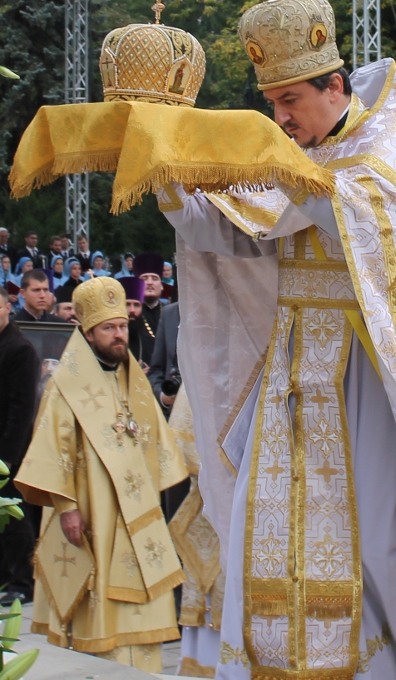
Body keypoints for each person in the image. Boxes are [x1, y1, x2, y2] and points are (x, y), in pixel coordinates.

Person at [163, 0, 396, 677]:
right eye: (272, 104)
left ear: (335, 85)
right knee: (262, 524)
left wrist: (278, 166)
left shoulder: (385, 147)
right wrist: (169, 180)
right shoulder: (299, 155)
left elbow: (356, 217)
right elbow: (229, 234)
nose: (281, 118)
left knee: (382, 541)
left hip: (373, 369)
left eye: (291, 100)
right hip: (294, 365)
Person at [15, 277, 188, 671]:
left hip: (136, 509)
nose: (118, 335)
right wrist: (67, 508)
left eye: (122, 326)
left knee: (142, 593)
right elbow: (52, 450)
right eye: (108, 328)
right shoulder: (66, 385)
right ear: (88, 332)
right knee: (99, 594)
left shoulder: (133, 378)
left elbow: (156, 441)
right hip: (93, 507)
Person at [166, 384, 225, 677]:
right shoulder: (201, 375)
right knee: (208, 586)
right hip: (209, 500)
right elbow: (182, 442)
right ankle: (203, 663)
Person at [0, 293, 40, 606]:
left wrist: (7, 457)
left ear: (7, 308)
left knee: (15, 516)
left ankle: (23, 581)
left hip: (9, 449)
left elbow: (22, 408)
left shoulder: (20, 349)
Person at [119, 275, 154, 369]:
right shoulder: (111, 338)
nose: (132, 310)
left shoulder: (149, 340)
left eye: (136, 305)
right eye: (127, 304)